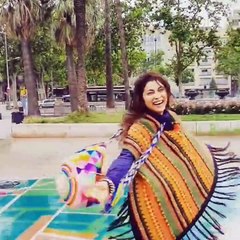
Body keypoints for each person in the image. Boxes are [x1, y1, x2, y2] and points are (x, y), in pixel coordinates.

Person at [85, 71, 240, 240]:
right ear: (141, 98)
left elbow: (188, 148)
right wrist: (109, 182)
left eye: (160, 90)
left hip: (180, 191)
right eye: (150, 93)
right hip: (156, 198)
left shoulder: (171, 118)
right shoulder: (141, 127)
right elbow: (126, 157)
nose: (157, 96)